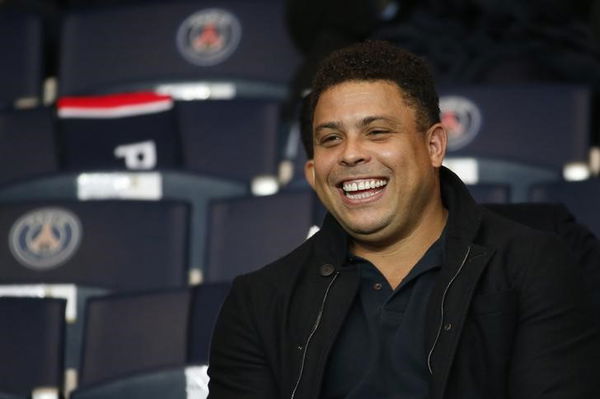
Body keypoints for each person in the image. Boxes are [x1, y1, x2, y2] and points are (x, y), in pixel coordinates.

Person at [207, 40, 600, 398]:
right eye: (331, 139)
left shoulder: (531, 264)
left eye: (377, 132)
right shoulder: (258, 302)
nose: (350, 154)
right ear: (312, 172)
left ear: (433, 146)